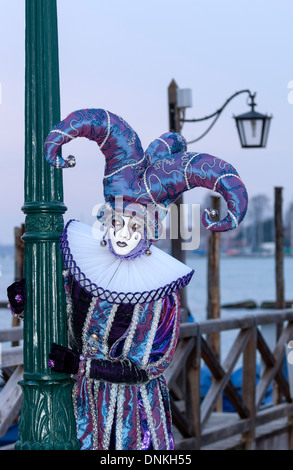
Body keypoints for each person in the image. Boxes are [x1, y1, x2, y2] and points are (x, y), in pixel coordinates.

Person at [7, 108, 248, 450]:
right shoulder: (83, 269)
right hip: (76, 406)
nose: (123, 234)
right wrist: (27, 298)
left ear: (149, 231)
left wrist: (82, 365)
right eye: (118, 223)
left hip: (131, 418)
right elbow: (60, 310)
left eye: (134, 227)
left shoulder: (159, 294)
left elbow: (152, 365)